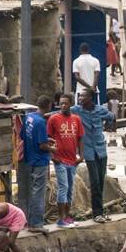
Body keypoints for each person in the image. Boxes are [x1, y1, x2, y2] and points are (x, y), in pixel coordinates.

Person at [71, 89, 114, 223]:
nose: (80, 98)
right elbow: (61, 112)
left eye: (83, 96)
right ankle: (97, 213)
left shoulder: (100, 110)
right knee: (94, 181)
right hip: (88, 151)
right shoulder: (77, 110)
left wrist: (109, 123)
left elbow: (112, 116)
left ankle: (100, 210)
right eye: (80, 96)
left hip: (101, 149)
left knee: (101, 181)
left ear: (91, 98)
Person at [45, 95, 83, 228]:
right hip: (59, 160)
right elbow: (47, 138)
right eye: (61, 104)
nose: (63, 106)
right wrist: (52, 156)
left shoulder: (76, 119)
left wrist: (81, 156)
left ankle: (67, 216)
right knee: (63, 187)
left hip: (72, 160)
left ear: (71, 104)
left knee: (70, 189)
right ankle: (61, 219)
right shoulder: (54, 118)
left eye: (66, 104)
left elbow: (80, 138)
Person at [22, 96, 55, 231]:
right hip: (39, 160)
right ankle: (36, 224)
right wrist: (53, 149)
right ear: (48, 106)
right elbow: (42, 146)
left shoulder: (29, 117)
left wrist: (46, 139)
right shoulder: (41, 122)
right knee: (38, 193)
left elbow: (24, 136)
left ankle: (30, 222)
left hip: (29, 158)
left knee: (31, 192)